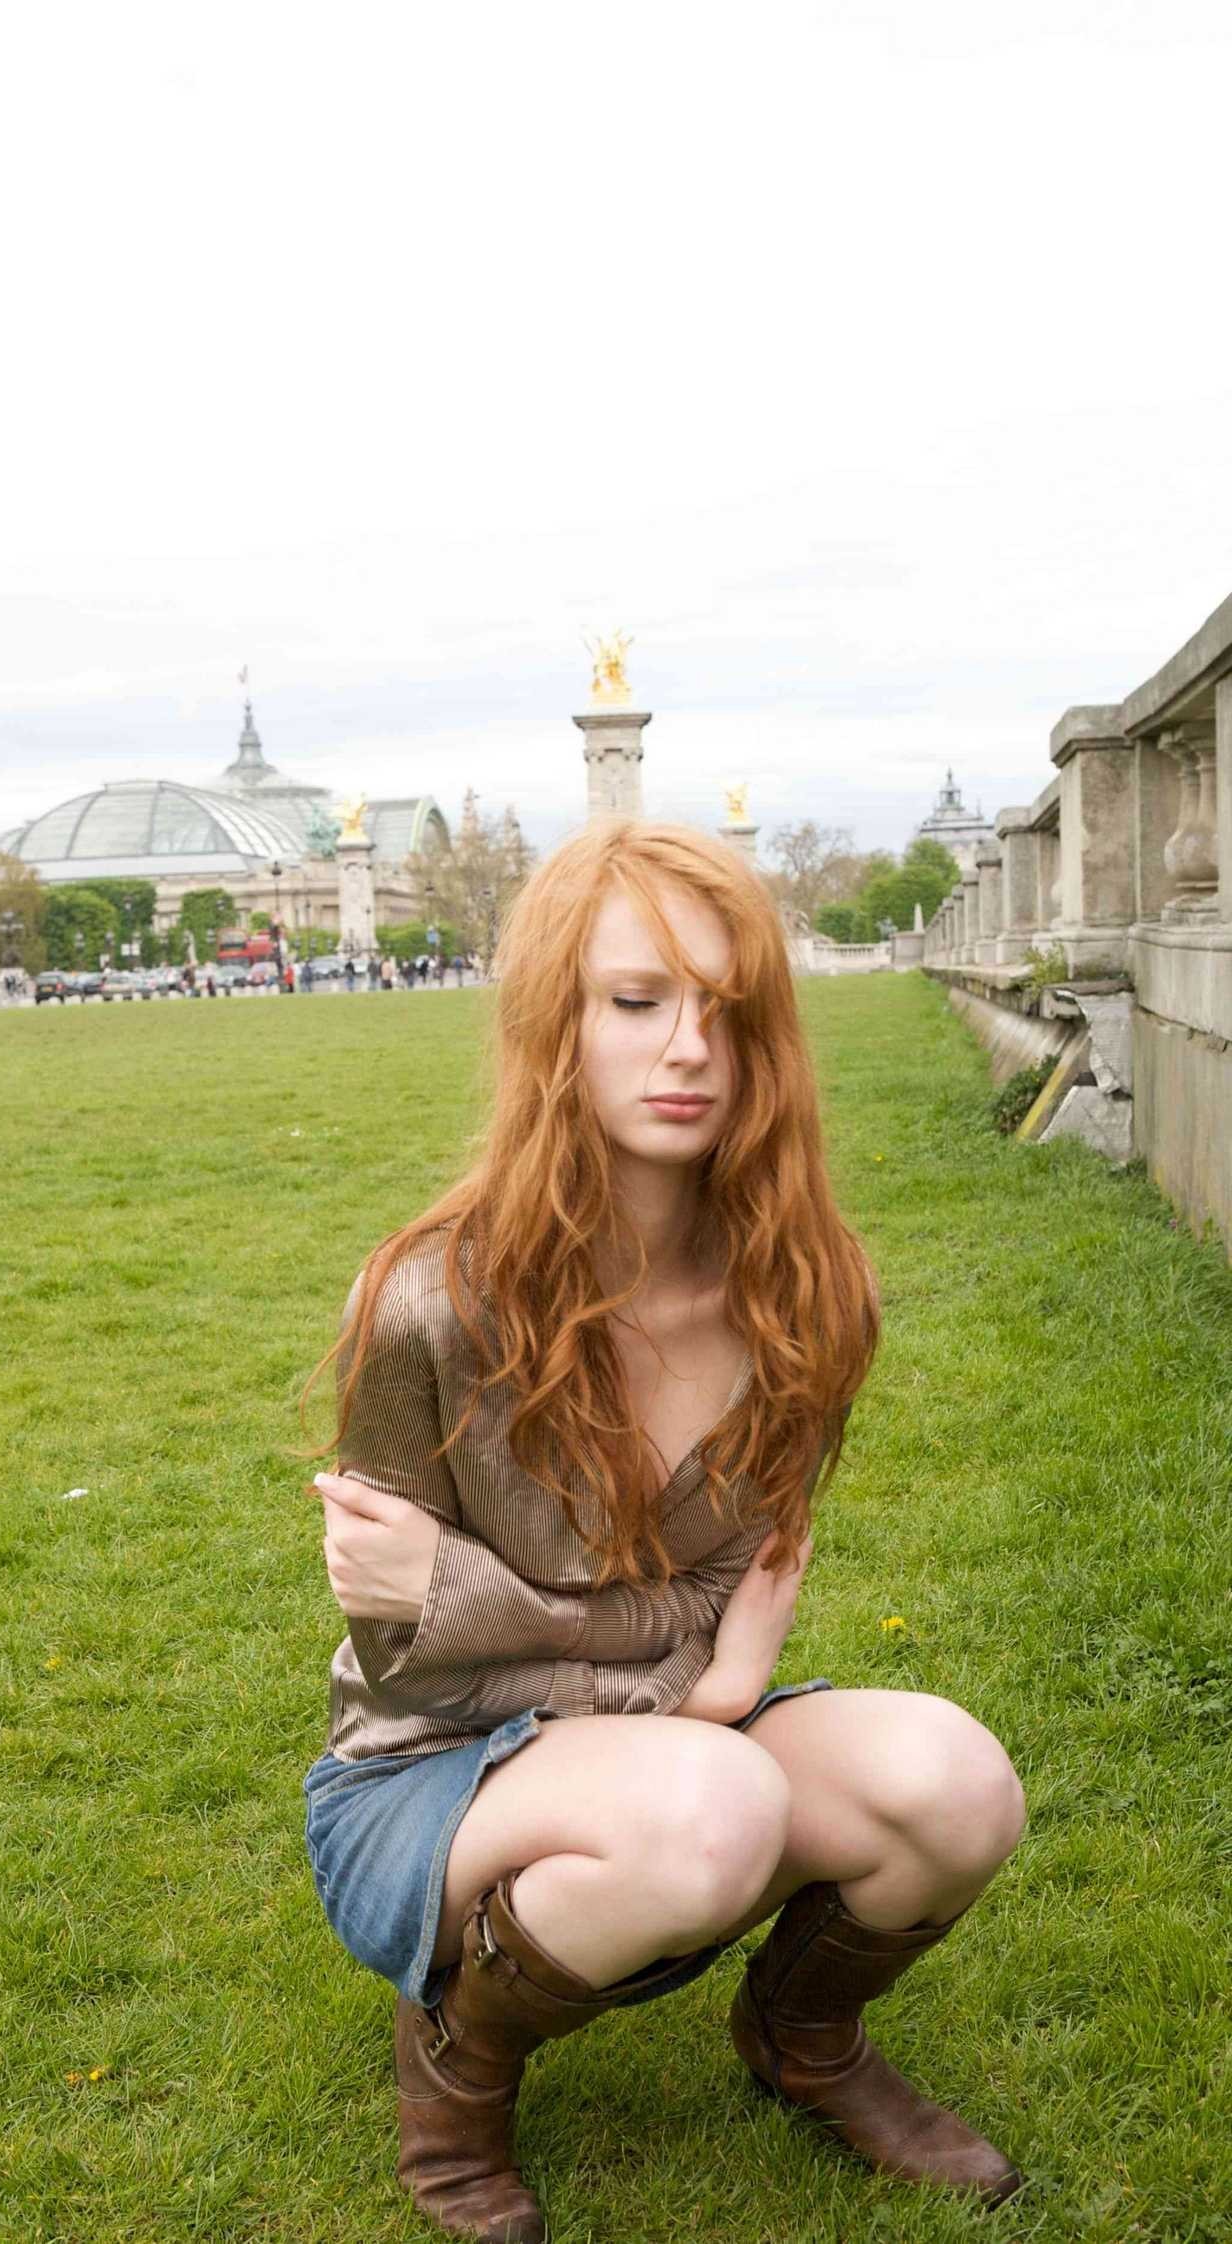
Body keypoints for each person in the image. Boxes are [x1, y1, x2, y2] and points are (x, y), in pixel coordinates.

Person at [300, 821, 1027, 2239]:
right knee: (715, 1804)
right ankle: (457, 2072)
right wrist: (702, 1686)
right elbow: (409, 1665)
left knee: (957, 1785)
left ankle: (801, 2043)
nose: (688, 1046)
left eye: (728, 1009)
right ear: (556, 1026)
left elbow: (658, 1603)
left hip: (668, 1738)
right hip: (425, 1783)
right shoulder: (424, 1307)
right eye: (637, 1001)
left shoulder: (813, 1298)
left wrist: (481, 1595)